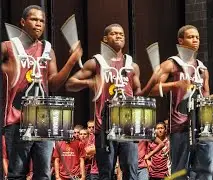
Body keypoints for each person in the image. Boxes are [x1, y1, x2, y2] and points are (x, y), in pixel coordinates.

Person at [1, 5, 82, 179]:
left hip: (44, 121)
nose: (38, 24)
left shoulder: (47, 50)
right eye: (34, 19)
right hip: (17, 120)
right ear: (23, 22)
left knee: (44, 174)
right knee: (17, 173)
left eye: (42, 21)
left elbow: (53, 84)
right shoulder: (7, 47)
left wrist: (71, 62)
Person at [148, 25, 213, 180]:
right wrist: (175, 85)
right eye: (191, 37)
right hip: (180, 126)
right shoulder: (171, 64)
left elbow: (206, 99)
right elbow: (152, 89)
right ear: (181, 40)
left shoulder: (202, 69)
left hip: (202, 127)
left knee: (207, 168)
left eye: (197, 37)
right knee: (180, 172)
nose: (195, 40)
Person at [66, 24, 141, 180]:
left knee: (131, 172)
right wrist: (89, 82)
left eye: (121, 34)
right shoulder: (96, 63)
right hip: (105, 127)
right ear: (105, 39)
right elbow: (70, 83)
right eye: (114, 34)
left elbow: (139, 93)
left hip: (129, 126)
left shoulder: (132, 66)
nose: (119, 36)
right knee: (105, 173)